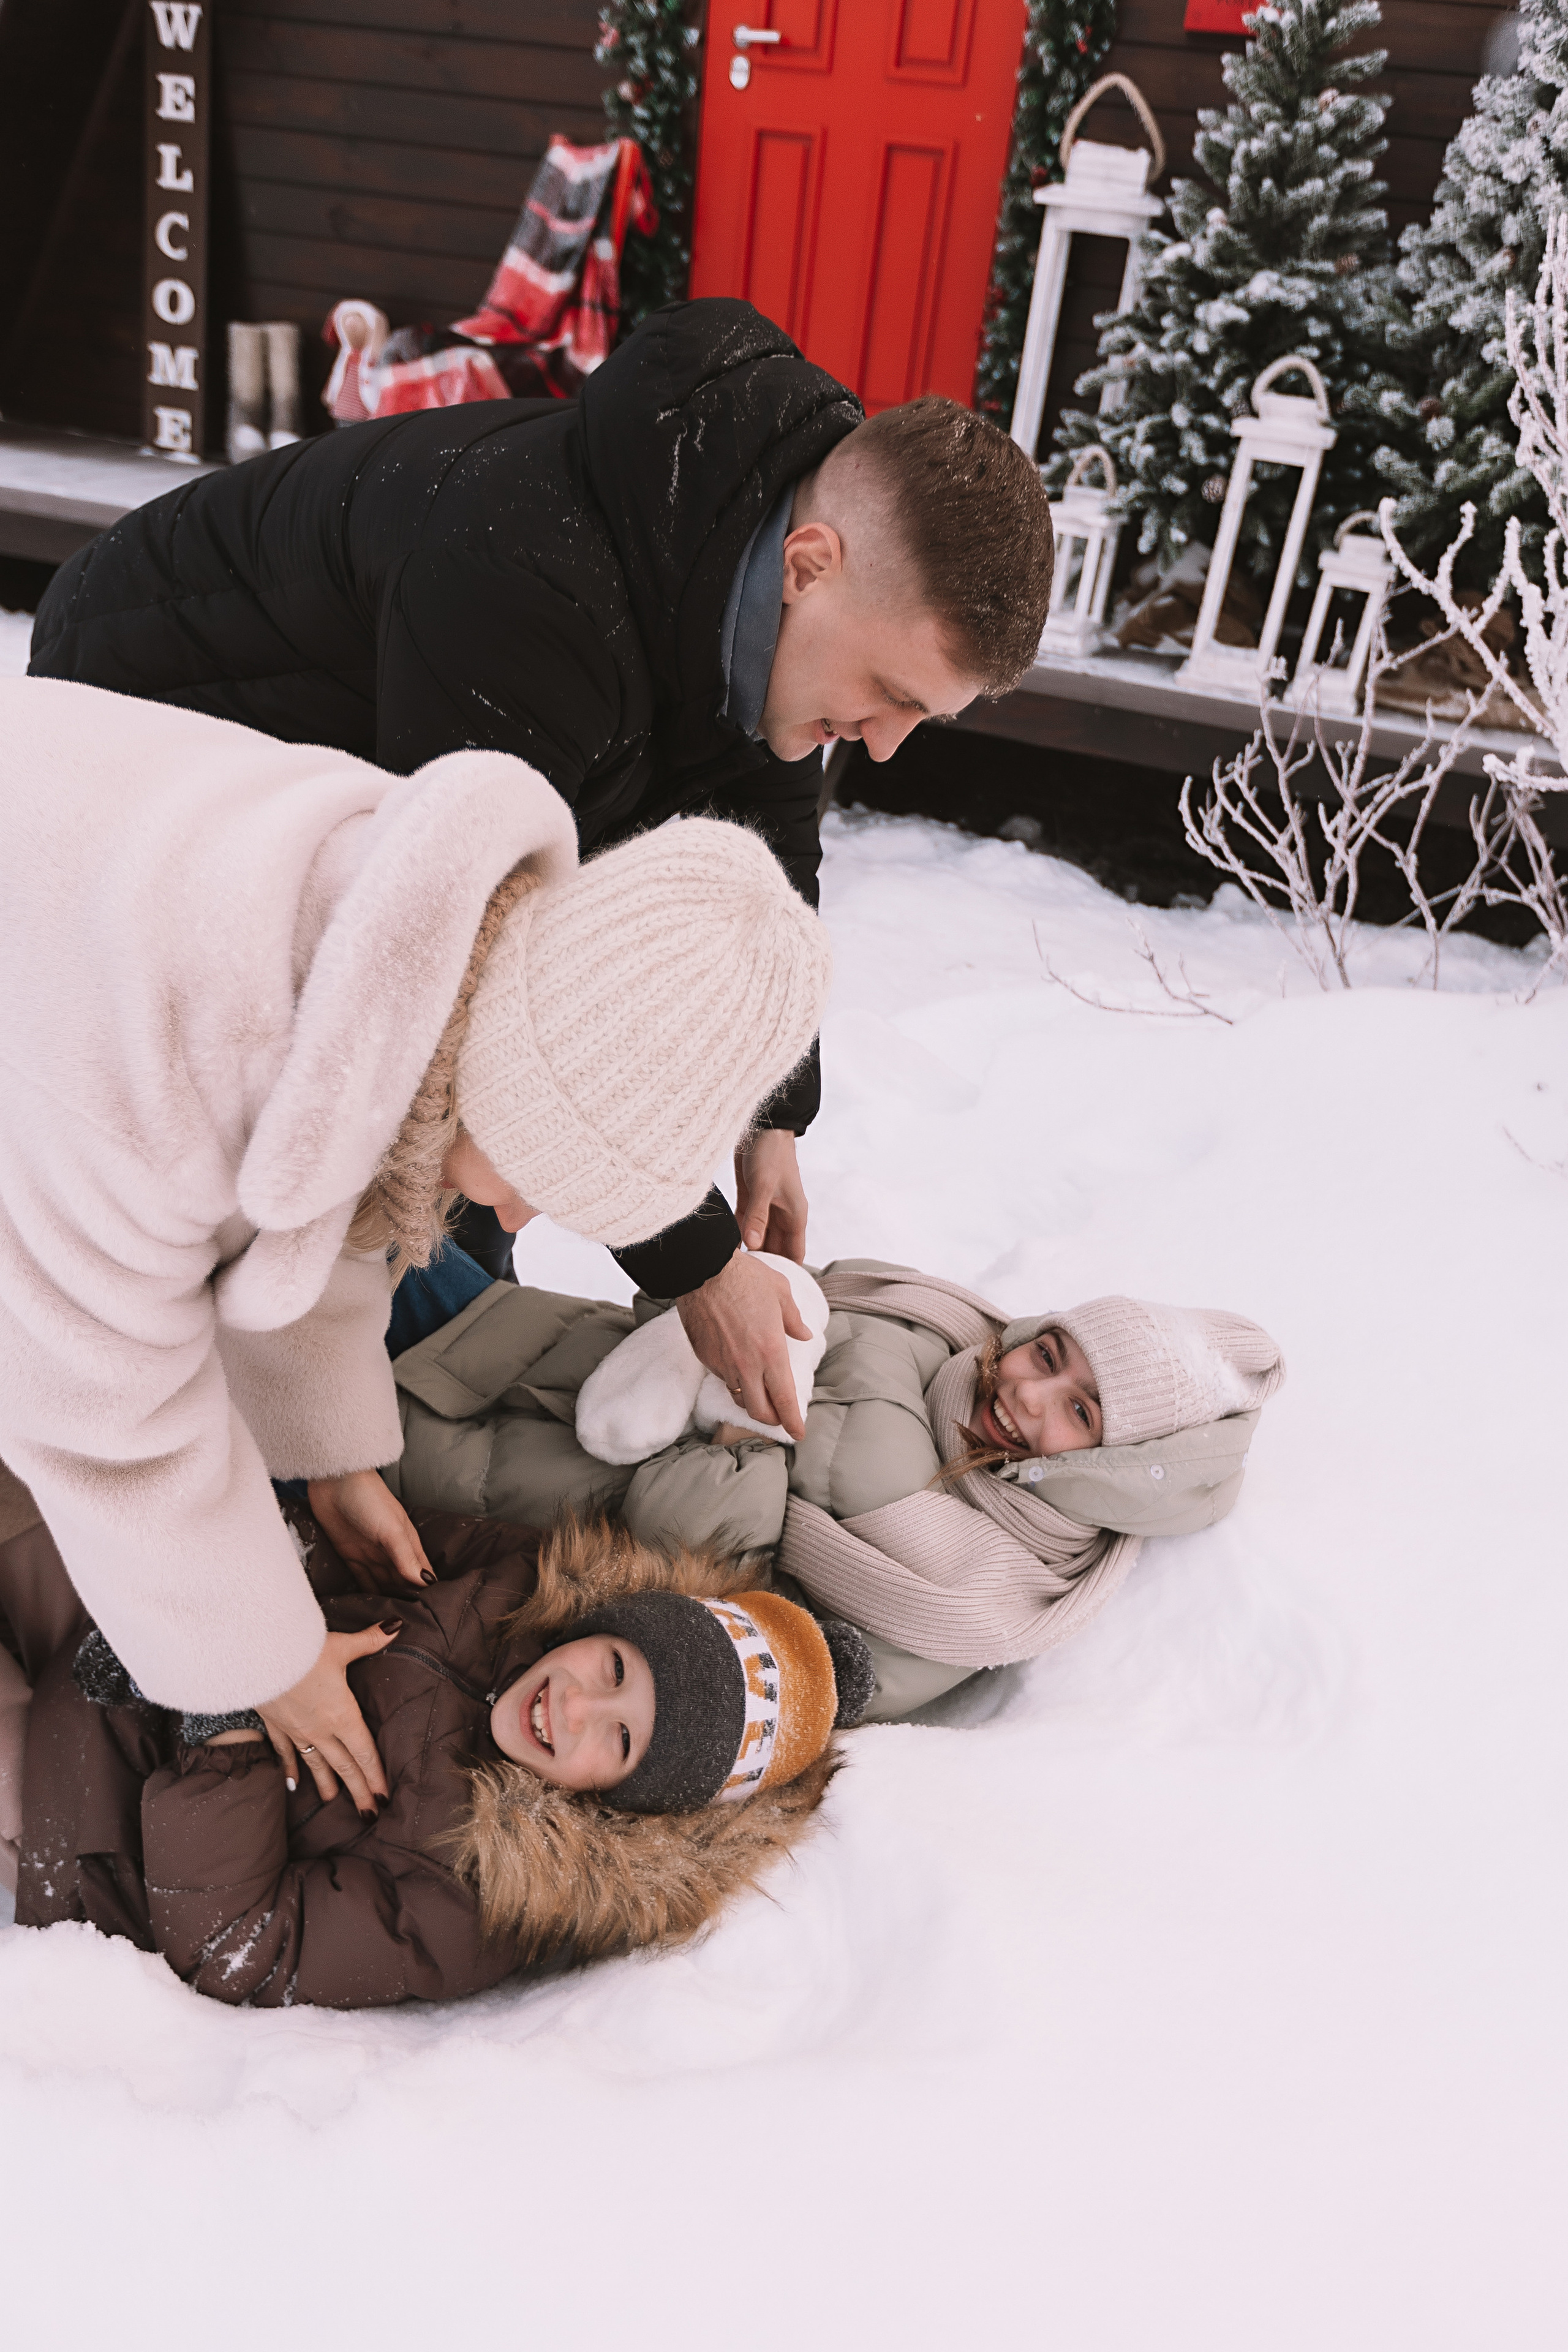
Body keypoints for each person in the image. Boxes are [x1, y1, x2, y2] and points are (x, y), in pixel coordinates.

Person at [28, 298, 1057, 1440]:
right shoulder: (530, 587)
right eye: (895, 695)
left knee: (462, 1156)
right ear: (810, 566)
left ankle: (408, 1350)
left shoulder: (746, 564)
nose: (884, 744)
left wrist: (769, 1111)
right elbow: (481, 976)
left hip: (361, 740)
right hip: (153, 699)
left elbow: (768, 845)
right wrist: (695, 1264)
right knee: (331, 1118)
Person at [0, 678, 831, 1806]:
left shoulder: (417, 950)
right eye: (552, 1181)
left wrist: (330, 1454)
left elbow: (331, 1184)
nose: (528, 1222)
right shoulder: (173, 1052)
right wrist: (263, 1662)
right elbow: (99, 1410)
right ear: (521, 1095)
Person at [3, 1499, 872, 2002]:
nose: (573, 1708)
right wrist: (234, 1604)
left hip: (86, 1808)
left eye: (619, 1738)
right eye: (612, 1667)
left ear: (628, 1800)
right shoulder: (510, 1587)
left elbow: (243, 1943)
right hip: (141, 1622)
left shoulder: (482, 1904)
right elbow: (340, 1551)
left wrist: (223, 1708)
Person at [374, 1257, 1286, 1719]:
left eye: (1079, 1414)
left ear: (1106, 1470)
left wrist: (743, 1433)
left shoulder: (974, 1598)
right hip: (505, 1338)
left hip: (460, 1496)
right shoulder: (934, 1330)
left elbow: (718, 1620)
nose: (1023, 1393)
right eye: (1048, 1354)